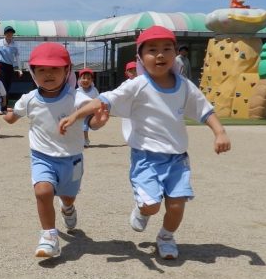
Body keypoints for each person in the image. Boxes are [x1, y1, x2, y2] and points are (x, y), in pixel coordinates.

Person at [59, 26, 231, 260]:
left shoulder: (184, 86)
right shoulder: (137, 85)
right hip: (146, 158)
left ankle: (166, 237)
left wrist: (219, 132)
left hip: (177, 158)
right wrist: (75, 116)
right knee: (151, 206)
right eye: (152, 50)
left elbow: (204, 110)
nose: (160, 55)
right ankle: (143, 210)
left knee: (177, 205)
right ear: (140, 57)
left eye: (166, 49)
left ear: (175, 54)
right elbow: (103, 99)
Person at [3, 42, 103, 259]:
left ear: (67, 70)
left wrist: (98, 119)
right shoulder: (29, 99)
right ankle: (49, 237)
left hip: (72, 160)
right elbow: (13, 116)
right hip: (42, 157)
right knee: (43, 191)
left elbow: (95, 110)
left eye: (55, 69)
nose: (48, 74)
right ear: (33, 73)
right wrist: (8, 116)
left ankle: (67, 208)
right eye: (41, 70)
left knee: (68, 197)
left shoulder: (75, 96)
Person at [0, 26, 23, 100]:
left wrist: (20, 69)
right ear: (5, 34)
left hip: (9, 66)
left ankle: (4, 107)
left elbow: (17, 57)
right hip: (0, 65)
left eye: (11, 33)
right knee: (2, 84)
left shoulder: (15, 44)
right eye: (8, 32)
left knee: (8, 86)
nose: (9, 34)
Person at [76, 68, 99, 147]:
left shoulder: (94, 90)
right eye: (84, 78)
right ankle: (84, 139)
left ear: (92, 80)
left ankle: (85, 139)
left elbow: (98, 100)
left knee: (84, 126)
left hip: (91, 112)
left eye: (89, 78)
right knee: (81, 127)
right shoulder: (77, 91)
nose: (86, 80)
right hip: (81, 112)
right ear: (79, 80)